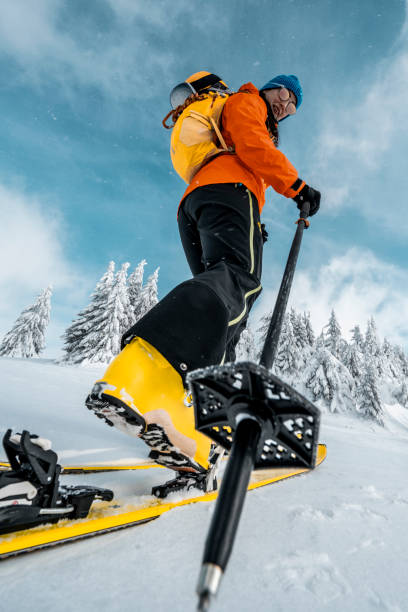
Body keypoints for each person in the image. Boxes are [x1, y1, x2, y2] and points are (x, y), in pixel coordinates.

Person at [86, 73, 321, 492]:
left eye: (293, 106)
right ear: (269, 88)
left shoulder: (232, 116)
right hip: (231, 190)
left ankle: (191, 426)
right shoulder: (246, 103)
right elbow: (253, 144)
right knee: (237, 279)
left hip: (198, 202)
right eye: (285, 94)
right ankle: (142, 375)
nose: (286, 106)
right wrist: (297, 187)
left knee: (225, 307)